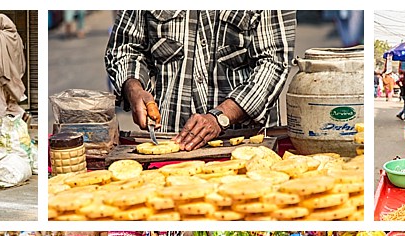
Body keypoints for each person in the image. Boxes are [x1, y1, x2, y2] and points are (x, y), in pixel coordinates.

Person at [105, 11, 296, 151]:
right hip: (170, 141)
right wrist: (134, 88)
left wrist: (221, 116)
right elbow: (125, 48)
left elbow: (274, 62)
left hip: (246, 143)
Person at [0, 15, 27, 119]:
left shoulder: (1, 36)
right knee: (10, 101)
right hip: (15, 75)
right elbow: (20, 56)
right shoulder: (17, 36)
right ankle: (22, 115)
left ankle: (0, 124)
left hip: (2, 74)